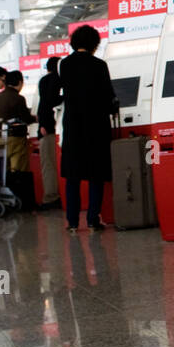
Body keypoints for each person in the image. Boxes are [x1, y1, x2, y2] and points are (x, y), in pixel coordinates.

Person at [58, 25, 116, 233]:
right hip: (96, 126)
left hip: (73, 126)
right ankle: (93, 219)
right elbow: (108, 95)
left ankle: (72, 222)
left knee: (72, 177)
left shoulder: (64, 65)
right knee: (95, 175)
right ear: (94, 43)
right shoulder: (99, 65)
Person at [0, 70, 37, 212]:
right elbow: (25, 118)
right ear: (19, 82)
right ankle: (21, 202)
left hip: (0, 138)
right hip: (16, 138)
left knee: (5, 171)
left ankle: (7, 201)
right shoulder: (18, 98)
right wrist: (35, 118)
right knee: (19, 170)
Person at [37, 56, 63, 210]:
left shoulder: (43, 80)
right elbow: (51, 101)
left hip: (44, 127)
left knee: (48, 165)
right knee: (50, 164)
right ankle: (51, 197)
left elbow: (43, 103)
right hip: (50, 128)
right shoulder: (56, 79)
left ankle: (51, 196)